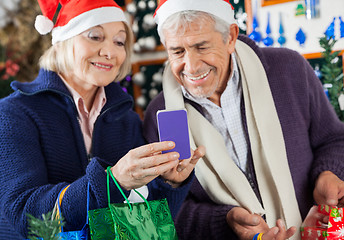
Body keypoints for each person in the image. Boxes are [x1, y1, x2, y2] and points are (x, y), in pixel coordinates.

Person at [0, 0, 205, 239]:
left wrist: (169, 184)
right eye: (95, 37)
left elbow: (146, 226)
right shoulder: (7, 117)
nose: (110, 52)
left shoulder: (126, 121)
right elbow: (30, 219)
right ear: (61, 42)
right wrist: (113, 181)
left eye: (119, 42)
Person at [143, 0, 344, 239]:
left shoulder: (290, 70)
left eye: (202, 47)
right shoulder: (159, 116)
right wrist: (225, 221)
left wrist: (328, 173)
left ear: (230, 36)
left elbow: (333, 139)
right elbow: (166, 210)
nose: (192, 66)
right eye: (177, 51)